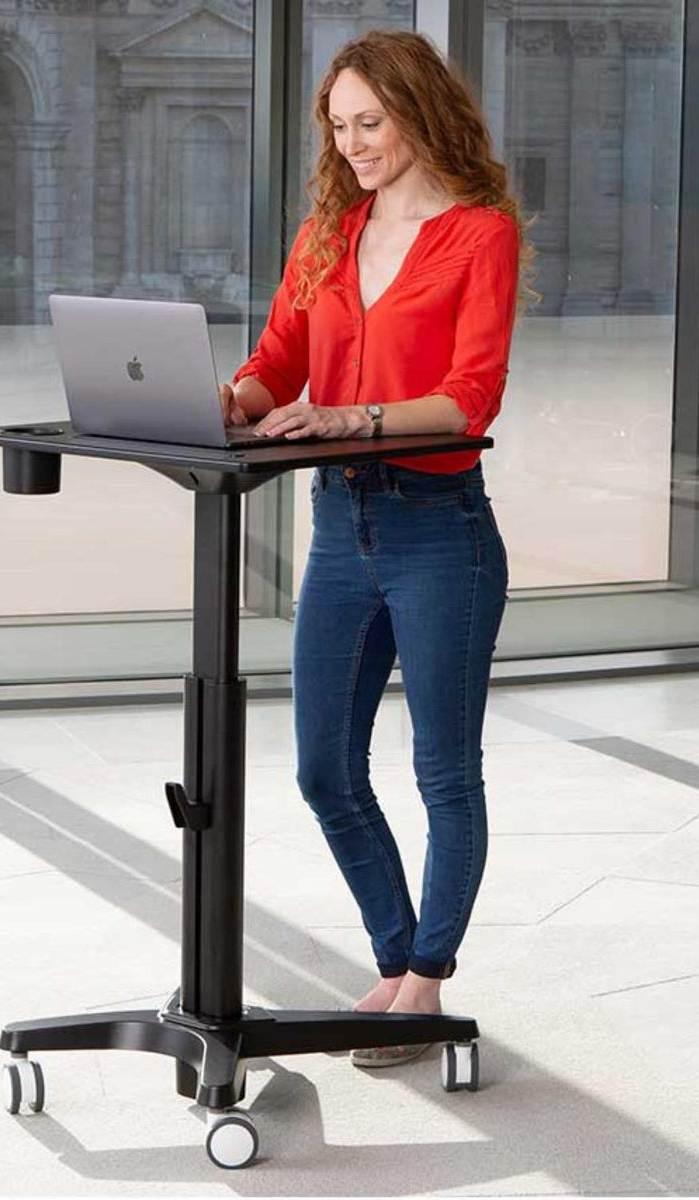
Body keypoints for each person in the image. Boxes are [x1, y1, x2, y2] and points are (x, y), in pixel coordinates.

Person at [220, 29, 529, 1066]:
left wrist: (349, 417)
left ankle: (427, 981)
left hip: (438, 528)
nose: (351, 143)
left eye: (370, 122)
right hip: (339, 527)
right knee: (324, 768)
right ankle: (395, 959)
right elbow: (276, 365)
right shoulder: (328, 233)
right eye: (339, 125)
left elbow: (470, 398)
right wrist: (222, 400)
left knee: (443, 770)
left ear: (419, 112)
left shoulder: (479, 235)